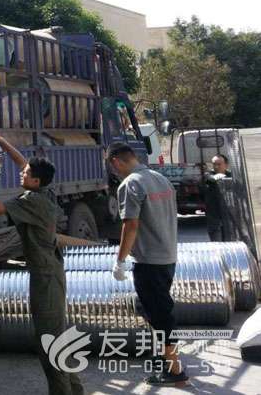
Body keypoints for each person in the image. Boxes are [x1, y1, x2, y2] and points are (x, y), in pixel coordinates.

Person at [0, 130, 84, 395]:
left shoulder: (32, 200)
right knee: (58, 336)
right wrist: (1, 141)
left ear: (36, 181)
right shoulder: (45, 191)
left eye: (26, 174)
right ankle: (75, 390)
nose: (22, 174)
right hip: (52, 271)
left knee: (49, 342)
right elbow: (22, 162)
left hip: (45, 277)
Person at [108, 141, 187, 387]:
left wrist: (120, 260)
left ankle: (175, 371)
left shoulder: (130, 184)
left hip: (149, 261)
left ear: (116, 161)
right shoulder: (159, 178)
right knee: (154, 310)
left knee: (161, 315)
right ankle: (164, 358)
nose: (113, 171)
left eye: (112, 166)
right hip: (167, 256)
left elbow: (130, 225)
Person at [199, 153, 231, 241]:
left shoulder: (232, 176)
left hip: (229, 218)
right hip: (214, 218)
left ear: (226, 165)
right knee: (217, 244)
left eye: (219, 164)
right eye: (214, 164)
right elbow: (210, 179)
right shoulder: (207, 176)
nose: (216, 167)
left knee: (230, 244)